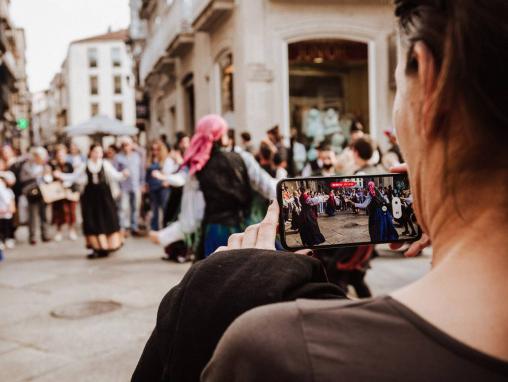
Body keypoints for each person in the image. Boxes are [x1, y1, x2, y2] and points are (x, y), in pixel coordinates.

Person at [58, 144, 128, 259]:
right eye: (95, 151)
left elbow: (115, 176)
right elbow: (74, 177)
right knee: (92, 221)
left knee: (108, 219)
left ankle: (108, 245)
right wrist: (61, 175)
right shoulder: (85, 165)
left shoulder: (105, 164)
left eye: (100, 152)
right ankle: (96, 247)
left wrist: (123, 174)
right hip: (90, 198)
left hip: (104, 197)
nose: (98, 154)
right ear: (90, 152)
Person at [20, 147, 52, 245]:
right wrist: (35, 176)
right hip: (31, 192)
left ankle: (45, 234)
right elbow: (22, 178)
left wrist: (46, 177)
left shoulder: (45, 166)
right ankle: (32, 236)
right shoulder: (26, 166)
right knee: (32, 216)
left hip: (44, 192)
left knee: (44, 215)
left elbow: (50, 178)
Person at [114, 136, 144, 236]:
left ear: (131, 145)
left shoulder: (137, 155)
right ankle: (122, 228)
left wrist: (142, 183)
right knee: (123, 208)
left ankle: (134, 227)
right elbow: (115, 172)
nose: (125, 147)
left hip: (135, 186)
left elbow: (141, 171)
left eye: (127, 144)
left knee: (135, 208)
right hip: (124, 187)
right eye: (123, 145)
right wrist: (117, 187)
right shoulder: (118, 157)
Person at [146, 139, 177, 231]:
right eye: (153, 149)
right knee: (154, 209)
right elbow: (147, 175)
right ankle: (154, 229)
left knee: (165, 208)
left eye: (157, 149)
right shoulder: (150, 160)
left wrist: (167, 181)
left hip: (163, 187)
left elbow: (171, 173)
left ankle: (166, 228)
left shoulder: (167, 160)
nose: (155, 151)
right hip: (153, 187)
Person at [50, 145, 78, 242]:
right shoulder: (52, 165)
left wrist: (65, 179)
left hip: (69, 191)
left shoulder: (69, 165)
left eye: (62, 154)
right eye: (59, 154)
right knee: (59, 212)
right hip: (57, 192)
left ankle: (72, 230)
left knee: (71, 211)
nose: (60, 156)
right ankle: (59, 231)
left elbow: (74, 176)